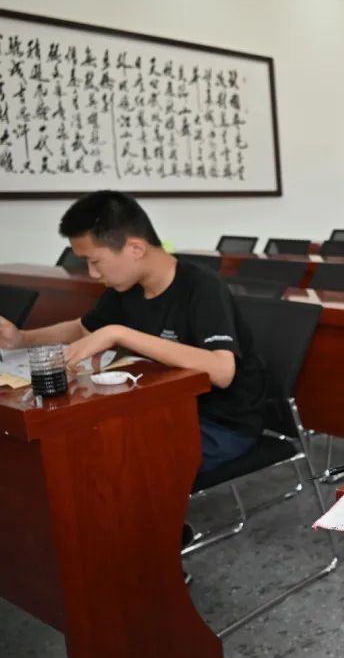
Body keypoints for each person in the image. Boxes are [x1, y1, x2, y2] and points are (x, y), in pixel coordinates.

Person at [0, 190, 266, 472]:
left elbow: (222, 371)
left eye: (94, 261)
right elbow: (82, 328)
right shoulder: (125, 288)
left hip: (221, 424)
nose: (92, 273)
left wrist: (119, 333)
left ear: (135, 249)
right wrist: (22, 339)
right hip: (162, 407)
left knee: (114, 461)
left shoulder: (202, 287)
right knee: (78, 445)